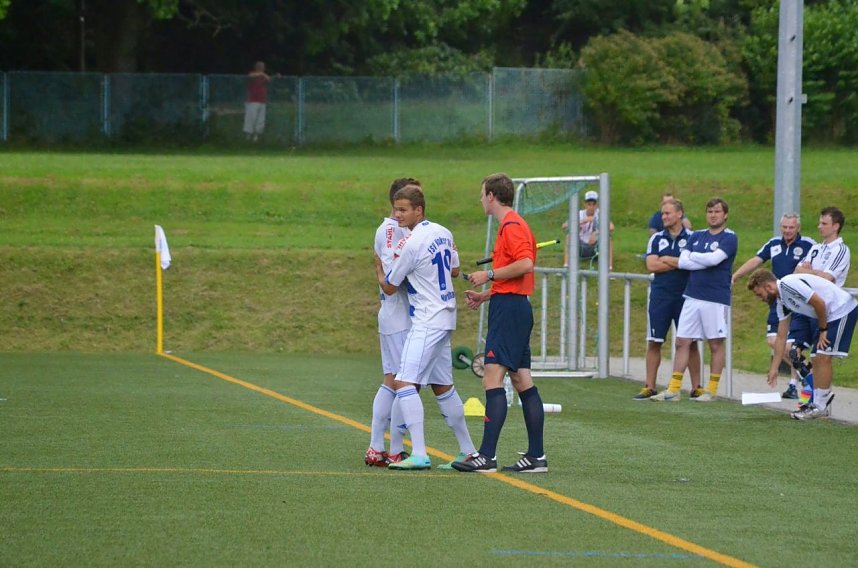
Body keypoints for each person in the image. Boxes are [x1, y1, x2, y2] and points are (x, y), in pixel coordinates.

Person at [452, 173, 547, 474]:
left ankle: (487, 456)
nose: (481, 199)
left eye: (482, 194)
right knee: (521, 380)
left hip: (511, 312)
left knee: (491, 378)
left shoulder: (512, 225)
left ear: (492, 196)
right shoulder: (512, 224)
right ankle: (536, 457)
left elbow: (526, 264)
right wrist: (485, 295)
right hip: (511, 306)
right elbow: (515, 278)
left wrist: (488, 274)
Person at [377, 184, 476, 470]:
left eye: (403, 210)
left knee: (404, 381)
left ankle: (418, 453)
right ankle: (468, 450)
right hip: (446, 318)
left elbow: (391, 286)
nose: (397, 215)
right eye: (396, 209)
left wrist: (379, 269)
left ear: (418, 210)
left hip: (427, 320)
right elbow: (455, 269)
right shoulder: (444, 232)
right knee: (443, 386)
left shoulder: (412, 243)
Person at [651, 198, 738, 402]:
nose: (713, 215)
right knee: (682, 341)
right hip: (692, 296)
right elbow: (684, 262)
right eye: (710, 211)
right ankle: (673, 389)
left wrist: (697, 259)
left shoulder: (729, 237)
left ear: (725, 215)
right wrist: (702, 259)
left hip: (715, 297)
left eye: (717, 211)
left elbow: (714, 260)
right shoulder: (697, 235)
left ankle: (711, 390)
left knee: (715, 343)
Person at [747, 269, 858, 420]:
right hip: (830, 314)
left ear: (768, 286)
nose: (760, 298)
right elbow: (781, 336)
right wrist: (774, 368)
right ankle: (819, 405)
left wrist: (823, 330)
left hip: (841, 309)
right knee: (816, 357)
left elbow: (819, 302)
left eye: (759, 294)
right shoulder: (782, 301)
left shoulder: (788, 284)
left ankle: (820, 405)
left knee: (822, 356)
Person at [365, 177, 420, 468]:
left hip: (396, 315)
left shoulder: (404, 230)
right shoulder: (391, 230)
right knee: (403, 382)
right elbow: (390, 281)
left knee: (392, 381)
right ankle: (395, 449)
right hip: (398, 315)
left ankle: (377, 447)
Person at [731, 213, 815, 398]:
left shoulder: (809, 244)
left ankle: (795, 384)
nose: (787, 231)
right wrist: (736, 275)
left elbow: (816, 264)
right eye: (784, 227)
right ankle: (806, 373)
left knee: (791, 346)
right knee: (774, 341)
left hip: (798, 300)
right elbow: (757, 260)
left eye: (791, 227)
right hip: (778, 299)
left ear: (798, 228)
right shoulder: (774, 244)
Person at [635, 198, 701, 400]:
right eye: (662, 213)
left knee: (690, 342)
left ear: (679, 214)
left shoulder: (693, 238)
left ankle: (696, 387)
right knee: (654, 341)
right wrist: (679, 262)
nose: (663, 217)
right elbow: (652, 266)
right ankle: (649, 386)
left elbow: (692, 263)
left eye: (667, 213)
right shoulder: (656, 239)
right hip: (661, 296)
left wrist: (668, 260)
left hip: (686, 296)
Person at [785, 207, 851, 401]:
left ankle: (815, 401)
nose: (819, 226)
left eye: (824, 223)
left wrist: (809, 272)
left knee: (819, 357)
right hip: (807, 307)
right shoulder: (815, 249)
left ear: (836, 226)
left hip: (825, 309)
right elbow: (796, 271)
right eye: (820, 222)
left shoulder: (840, 250)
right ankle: (814, 398)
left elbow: (828, 278)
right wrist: (812, 272)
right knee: (792, 352)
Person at [243, 61, 271, 142]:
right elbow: (250, 76)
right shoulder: (253, 74)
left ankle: (256, 135)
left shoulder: (264, 76)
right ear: (256, 67)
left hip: (262, 100)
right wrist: (261, 74)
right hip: (252, 100)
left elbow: (269, 79)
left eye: (262, 67)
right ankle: (248, 134)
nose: (261, 68)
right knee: (251, 118)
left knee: (260, 119)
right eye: (259, 66)